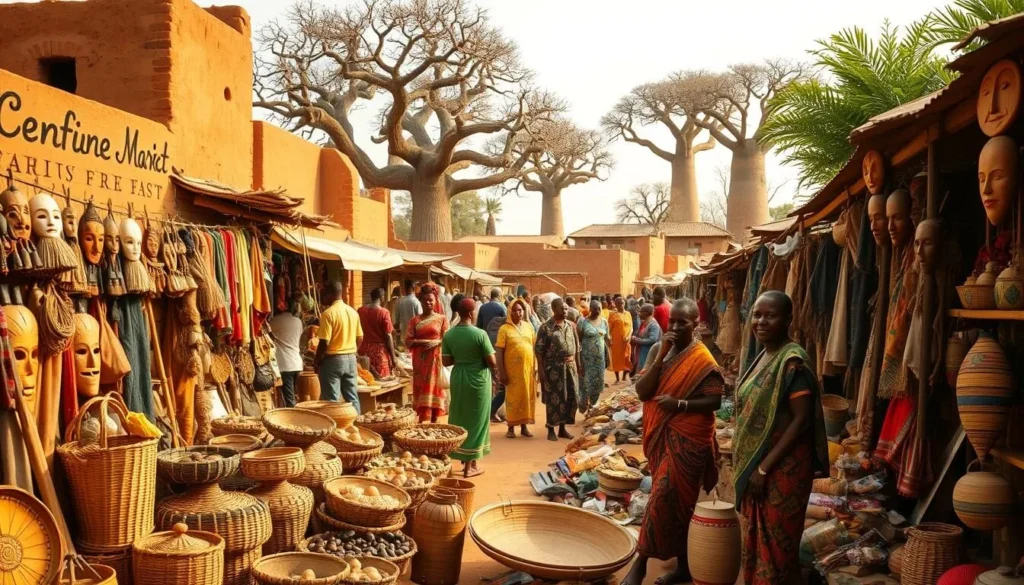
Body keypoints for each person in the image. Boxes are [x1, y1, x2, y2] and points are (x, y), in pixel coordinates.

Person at [621, 298, 724, 585]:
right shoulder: (658, 349)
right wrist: (662, 353)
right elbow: (643, 392)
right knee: (677, 504)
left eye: (683, 322)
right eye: (673, 321)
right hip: (660, 436)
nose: (676, 326)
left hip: (691, 438)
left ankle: (639, 565)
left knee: (664, 496)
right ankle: (684, 567)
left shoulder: (702, 358)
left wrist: (680, 404)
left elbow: (715, 399)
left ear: (695, 325)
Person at [733, 291, 829, 585]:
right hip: (762, 465)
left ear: (788, 319)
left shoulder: (792, 362)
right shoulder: (763, 355)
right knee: (757, 543)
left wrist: (764, 468)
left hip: (783, 468)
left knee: (777, 547)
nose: (761, 321)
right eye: (757, 315)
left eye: (770, 315)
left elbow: (801, 420)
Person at [442, 298, 498, 477]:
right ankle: (471, 466)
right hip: (479, 378)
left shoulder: (449, 334)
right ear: (472, 313)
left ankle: (462, 459)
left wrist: (462, 358)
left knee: (460, 417)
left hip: (459, 377)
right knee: (478, 420)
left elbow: (446, 361)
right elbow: (492, 361)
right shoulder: (480, 334)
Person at [535, 298, 581, 442]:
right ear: (554, 309)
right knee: (554, 398)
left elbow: (577, 348)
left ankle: (562, 428)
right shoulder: (545, 328)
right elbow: (539, 350)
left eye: (567, 309)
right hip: (553, 369)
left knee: (570, 397)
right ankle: (551, 428)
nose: (565, 311)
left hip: (570, 367)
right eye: (563, 308)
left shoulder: (571, 326)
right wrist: (541, 370)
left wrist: (579, 366)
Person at [314, 281, 364, 411]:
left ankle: (335, 429)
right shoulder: (353, 312)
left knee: (332, 400)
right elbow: (360, 337)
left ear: (330, 294)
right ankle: (358, 427)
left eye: (325, 294)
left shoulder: (328, 314)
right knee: (352, 397)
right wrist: (353, 352)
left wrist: (317, 361)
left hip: (333, 361)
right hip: (351, 359)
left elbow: (324, 342)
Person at [405, 283, 450, 423]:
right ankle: (422, 418)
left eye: (431, 300)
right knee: (421, 387)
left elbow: (447, 339)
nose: (428, 302)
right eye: (425, 300)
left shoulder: (442, 319)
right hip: (420, 361)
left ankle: (434, 417)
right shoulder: (415, 320)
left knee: (434, 387)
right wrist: (424, 342)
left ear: (436, 300)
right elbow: (408, 341)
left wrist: (436, 342)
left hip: (435, 360)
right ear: (421, 301)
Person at [495, 298, 536, 438]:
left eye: (521, 310)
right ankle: (511, 428)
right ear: (510, 312)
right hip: (512, 372)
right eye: (516, 310)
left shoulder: (528, 327)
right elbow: (499, 351)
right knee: (513, 398)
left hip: (527, 370)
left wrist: (535, 367)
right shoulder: (504, 329)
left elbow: (533, 347)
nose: (519, 312)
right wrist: (502, 372)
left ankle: (524, 427)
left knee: (525, 397)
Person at [358, 287, 398, 379]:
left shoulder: (360, 311)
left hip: (363, 350)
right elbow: (388, 335)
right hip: (379, 353)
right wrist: (393, 357)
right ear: (382, 297)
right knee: (381, 381)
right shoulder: (384, 312)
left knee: (366, 378)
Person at [577, 299, 609, 412]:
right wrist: (579, 360)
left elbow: (606, 340)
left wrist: (608, 356)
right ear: (590, 309)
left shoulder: (604, 322)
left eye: (599, 308)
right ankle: (584, 405)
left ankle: (593, 407)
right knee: (586, 384)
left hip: (599, 360)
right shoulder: (583, 322)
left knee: (598, 383)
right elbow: (578, 342)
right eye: (595, 308)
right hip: (587, 359)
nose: (598, 311)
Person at [269, 303, 303, 407]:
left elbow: (267, 332)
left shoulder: (275, 321)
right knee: (294, 394)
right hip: (297, 363)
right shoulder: (298, 321)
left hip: (285, 364)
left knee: (289, 398)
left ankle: (292, 418)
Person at [607, 296, 633, 384]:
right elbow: (609, 329)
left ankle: (624, 376)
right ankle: (617, 378)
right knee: (616, 358)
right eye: (618, 303)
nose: (620, 305)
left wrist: (629, 336)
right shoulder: (613, 315)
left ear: (624, 303)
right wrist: (609, 339)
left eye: (622, 303)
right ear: (616, 305)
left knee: (627, 357)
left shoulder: (628, 314)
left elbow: (631, 327)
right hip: (616, 341)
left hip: (627, 340)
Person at [631, 304, 662, 377]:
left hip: (648, 352)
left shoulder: (653, 325)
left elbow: (653, 339)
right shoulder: (645, 323)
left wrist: (637, 340)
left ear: (647, 313)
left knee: (645, 371)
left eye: (641, 312)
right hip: (643, 351)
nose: (639, 313)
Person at [394, 279, 422, 345]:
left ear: (405, 288)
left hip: (403, 336)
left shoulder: (398, 301)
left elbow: (396, 321)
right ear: (413, 288)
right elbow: (421, 319)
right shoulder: (416, 302)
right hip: (414, 336)